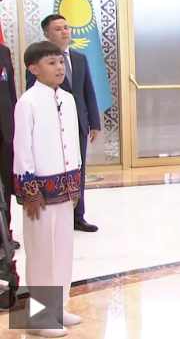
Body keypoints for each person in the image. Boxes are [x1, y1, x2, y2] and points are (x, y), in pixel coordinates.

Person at [15, 41, 82, 336]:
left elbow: (74, 144)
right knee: (41, 252)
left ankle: (58, 306)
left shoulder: (67, 99)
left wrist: (76, 183)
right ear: (33, 69)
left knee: (63, 250)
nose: (59, 68)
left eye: (60, 62)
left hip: (65, 189)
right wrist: (29, 190)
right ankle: (39, 317)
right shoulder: (27, 102)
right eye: (51, 63)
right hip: (40, 193)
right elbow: (22, 149)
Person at [26, 14, 100, 232]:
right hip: (51, 126)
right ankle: (55, 211)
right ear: (47, 34)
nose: (65, 31)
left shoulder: (79, 58)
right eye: (58, 29)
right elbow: (34, 92)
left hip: (77, 123)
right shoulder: (39, 60)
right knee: (54, 168)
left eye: (66, 27)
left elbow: (88, 91)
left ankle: (78, 215)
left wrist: (94, 122)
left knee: (77, 169)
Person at [0, 43, 19, 249]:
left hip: (5, 132)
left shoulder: (3, 51)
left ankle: (5, 234)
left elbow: (10, 93)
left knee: (5, 187)